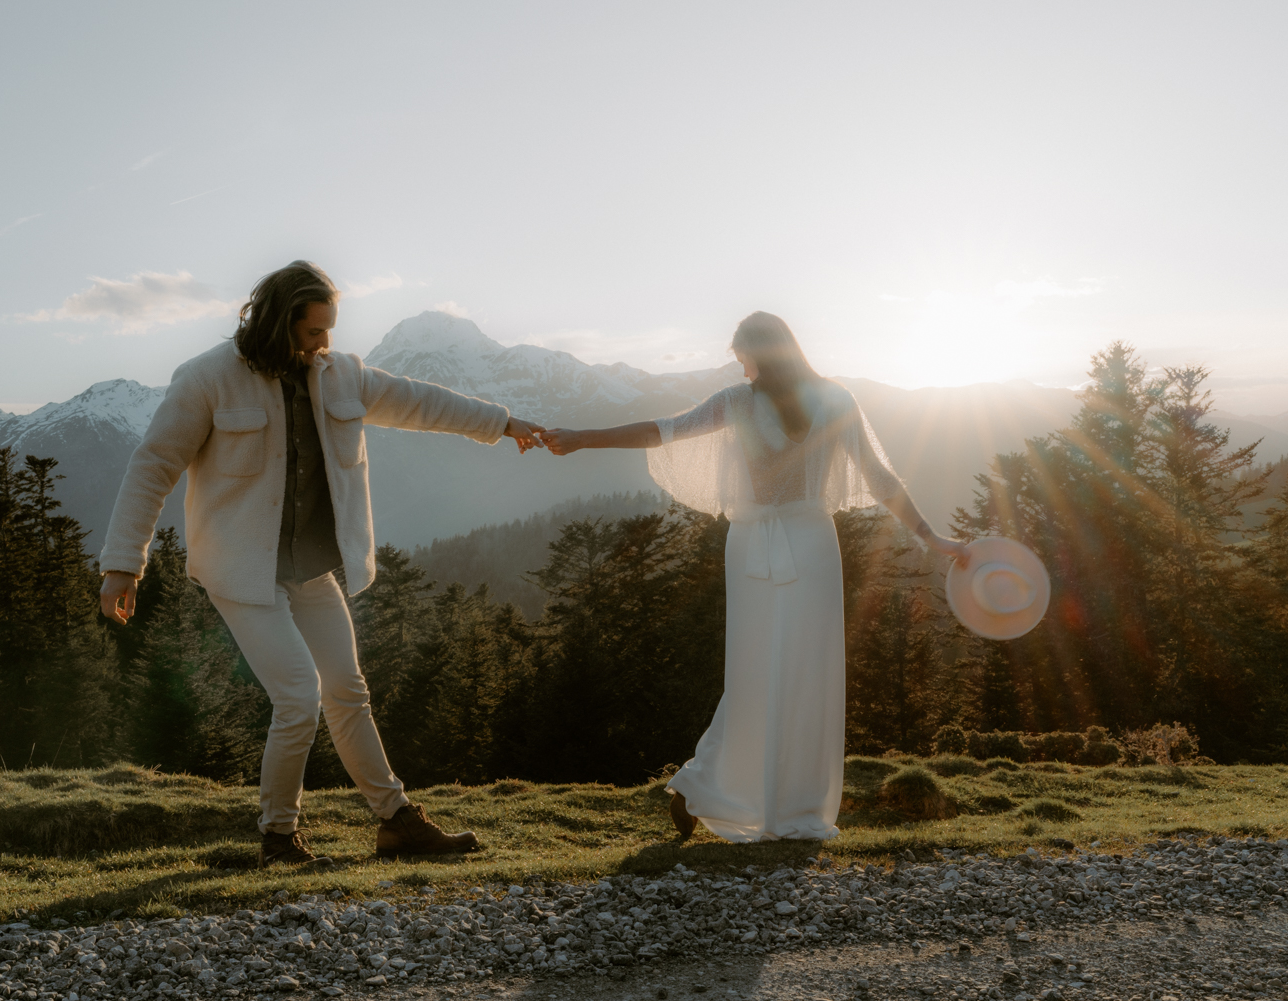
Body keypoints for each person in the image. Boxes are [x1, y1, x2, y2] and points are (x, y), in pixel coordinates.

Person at [97, 261, 546, 867]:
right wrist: (123, 565)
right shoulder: (208, 378)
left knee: (347, 691)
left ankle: (396, 823)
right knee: (299, 697)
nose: (323, 344)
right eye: (312, 332)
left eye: (329, 331)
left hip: (309, 568)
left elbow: (422, 403)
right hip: (241, 572)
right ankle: (278, 837)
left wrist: (503, 423)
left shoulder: (342, 375)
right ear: (278, 323)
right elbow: (153, 466)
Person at [538, 312, 969, 843]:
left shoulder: (739, 402)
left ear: (759, 355)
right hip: (810, 544)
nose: (740, 368)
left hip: (753, 549)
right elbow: (881, 479)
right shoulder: (834, 400)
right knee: (807, 674)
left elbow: (662, 432)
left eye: (742, 357)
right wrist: (933, 538)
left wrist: (583, 438)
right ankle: (788, 808)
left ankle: (708, 787)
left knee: (753, 674)